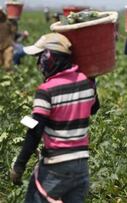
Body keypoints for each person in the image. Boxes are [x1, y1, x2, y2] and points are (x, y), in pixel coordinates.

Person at [10, 33, 99, 202]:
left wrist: (19, 165)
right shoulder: (86, 82)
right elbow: (94, 107)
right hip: (81, 164)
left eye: (40, 57)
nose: (38, 64)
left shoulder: (46, 90)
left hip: (56, 165)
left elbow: (35, 132)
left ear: (50, 58)